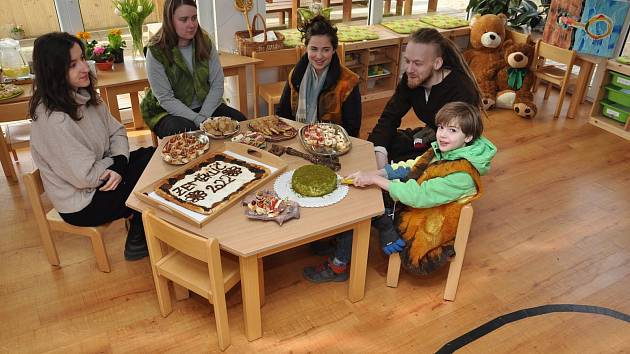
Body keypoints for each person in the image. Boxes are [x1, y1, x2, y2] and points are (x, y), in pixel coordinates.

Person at [303, 102, 496, 281]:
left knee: (362, 208)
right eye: (441, 127)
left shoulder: (462, 175)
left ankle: (338, 266)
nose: (442, 135)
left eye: (452, 130)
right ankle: (342, 243)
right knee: (364, 193)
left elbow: (418, 196)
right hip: (418, 204)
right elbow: (414, 166)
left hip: (425, 221)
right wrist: (376, 173)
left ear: (469, 137)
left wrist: (376, 180)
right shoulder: (449, 151)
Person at [29, 32, 154, 261]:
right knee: (151, 175)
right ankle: (139, 233)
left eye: (83, 59)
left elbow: (117, 131)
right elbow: (85, 176)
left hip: (103, 177)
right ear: (54, 71)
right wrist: (117, 165)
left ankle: (140, 222)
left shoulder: (83, 96)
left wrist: (119, 162)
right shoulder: (54, 120)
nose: (85, 68)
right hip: (83, 203)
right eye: (73, 65)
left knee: (153, 156)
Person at [368, 28, 483, 167]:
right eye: (407, 61)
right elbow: (389, 117)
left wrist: (390, 171)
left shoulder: (462, 90)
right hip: (433, 134)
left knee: (411, 168)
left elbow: (456, 142)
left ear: (437, 64)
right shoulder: (411, 78)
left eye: (417, 63)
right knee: (377, 145)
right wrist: (380, 152)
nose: (409, 69)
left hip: (453, 145)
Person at [141, 0, 246, 139]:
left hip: (206, 106)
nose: (191, 25)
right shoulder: (155, 50)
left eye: (194, 18)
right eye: (183, 19)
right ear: (169, 20)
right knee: (189, 133)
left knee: (241, 121)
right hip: (167, 111)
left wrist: (204, 117)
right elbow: (165, 99)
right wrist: (199, 121)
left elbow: (217, 84)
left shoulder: (205, 41)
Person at [276, 15, 362, 137]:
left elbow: (352, 129)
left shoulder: (349, 82)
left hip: (333, 146)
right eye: (314, 49)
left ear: (333, 50)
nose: (319, 56)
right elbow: (282, 114)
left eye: (326, 50)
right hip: (298, 138)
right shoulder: (296, 75)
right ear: (306, 48)